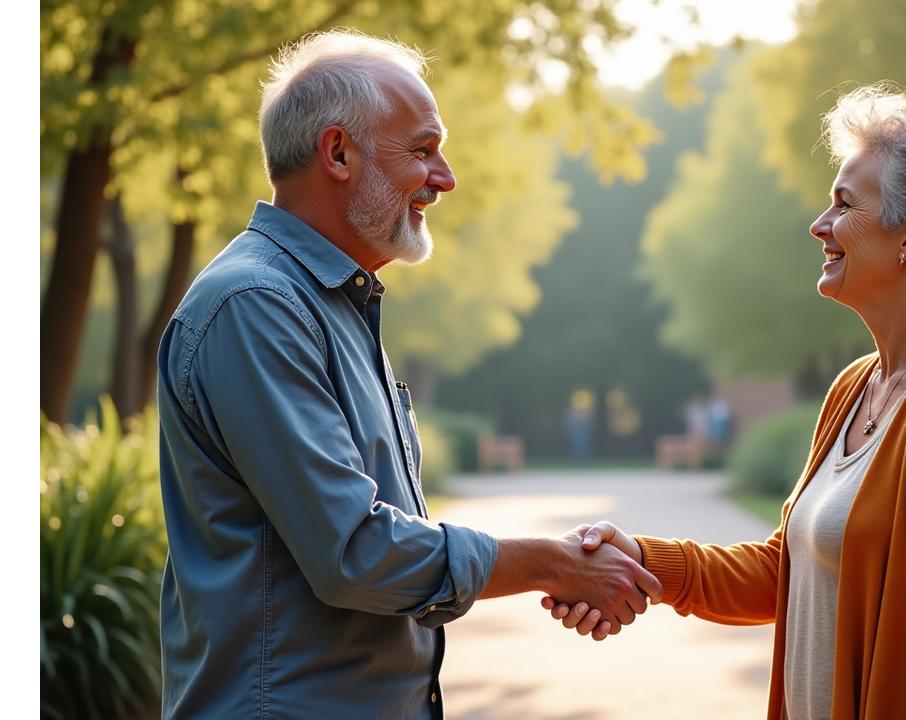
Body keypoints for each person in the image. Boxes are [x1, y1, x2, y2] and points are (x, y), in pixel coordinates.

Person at [155, 31, 659, 718]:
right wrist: (553, 563)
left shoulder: (327, 304)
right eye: (422, 151)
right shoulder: (257, 306)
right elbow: (355, 551)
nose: (445, 179)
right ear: (338, 153)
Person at [544, 84, 906, 719]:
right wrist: (644, 562)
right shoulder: (856, 386)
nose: (819, 224)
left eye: (844, 204)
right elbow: (788, 573)